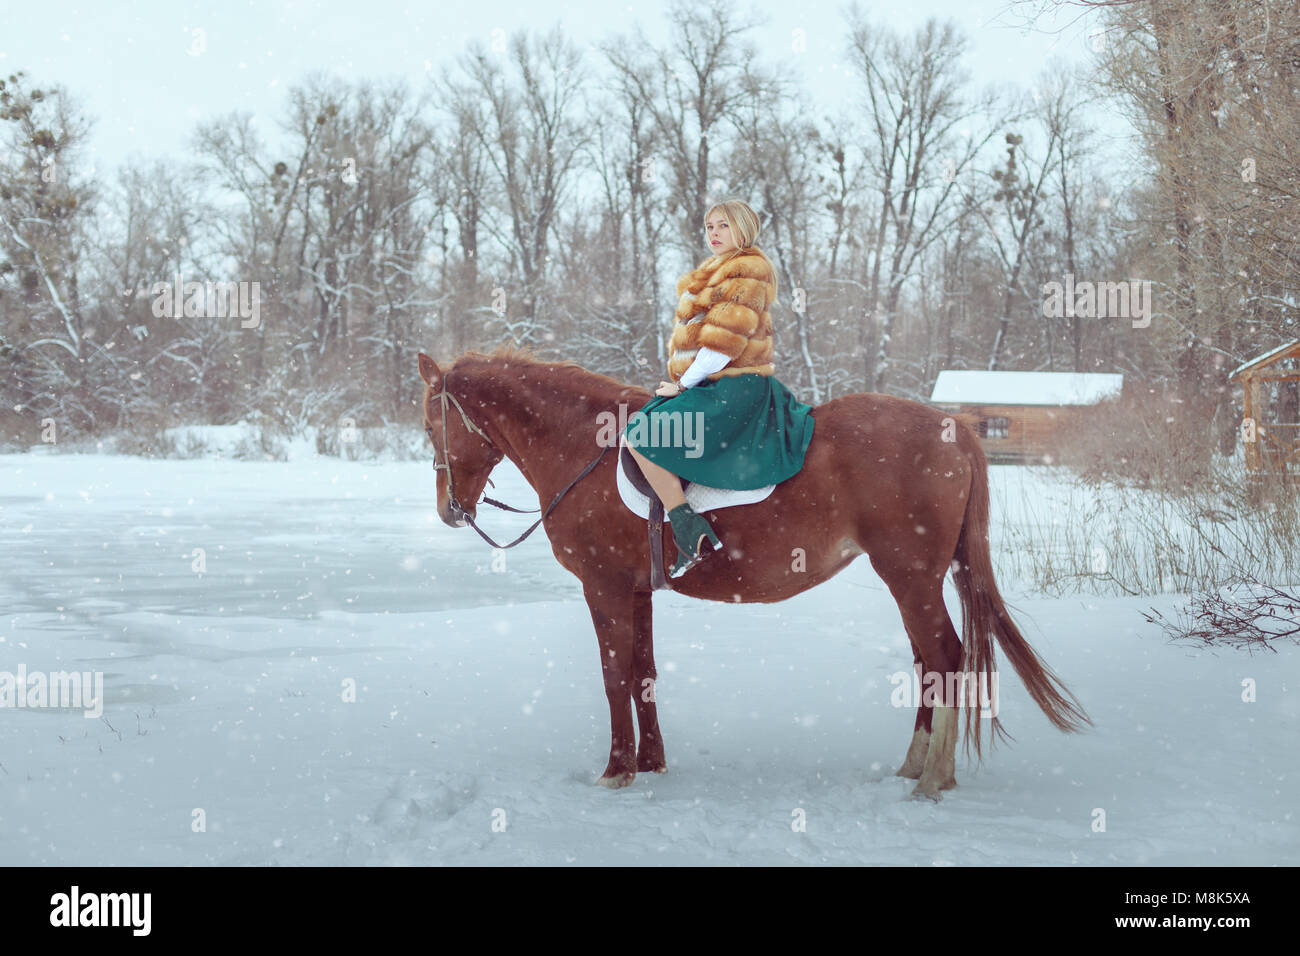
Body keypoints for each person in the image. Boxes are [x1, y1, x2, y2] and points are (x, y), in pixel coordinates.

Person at [625, 199, 817, 578]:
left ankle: (687, 527)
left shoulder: (747, 271)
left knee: (642, 434)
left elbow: (721, 346)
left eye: (723, 226)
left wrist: (682, 384)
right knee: (646, 422)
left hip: (734, 387)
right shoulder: (715, 271)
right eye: (710, 226)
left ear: (742, 229)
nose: (714, 233)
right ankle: (685, 524)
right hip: (712, 383)